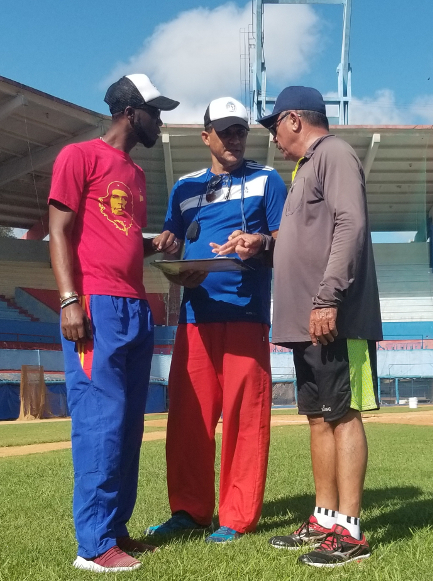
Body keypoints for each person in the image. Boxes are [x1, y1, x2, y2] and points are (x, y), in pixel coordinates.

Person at [213, 86, 382, 567]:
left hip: (334, 318)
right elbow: (300, 238)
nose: (272, 137)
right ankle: (325, 518)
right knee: (318, 417)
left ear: (293, 120)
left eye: (274, 127)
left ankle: (350, 531)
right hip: (306, 320)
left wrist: (328, 296)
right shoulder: (305, 168)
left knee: (343, 414)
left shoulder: (334, 154)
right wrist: (261, 243)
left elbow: (351, 224)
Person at [48, 73, 179, 574]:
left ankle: (116, 529)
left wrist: (153, 245)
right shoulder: (78, 156)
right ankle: (94, 544)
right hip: (95, 304)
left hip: (134, 305)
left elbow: (118, 237)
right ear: (129, 112)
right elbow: (60, 232)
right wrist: (69, 301)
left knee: (127, 424)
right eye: (154, 112)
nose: (159, 122)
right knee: (100, 422)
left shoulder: (137, 174)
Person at [146, 97, 287, 543]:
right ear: (206, 136)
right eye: (225, 131)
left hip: (245, 316)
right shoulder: (184, 188)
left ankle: (237, 517)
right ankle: (190, 511)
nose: (234, 139)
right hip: (194, 317)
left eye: (240, 131)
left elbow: (287, 242)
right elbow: (173, 241)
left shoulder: (267, 180)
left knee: (246, 420)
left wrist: (260, 243)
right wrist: (172, 257)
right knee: (188, 420)